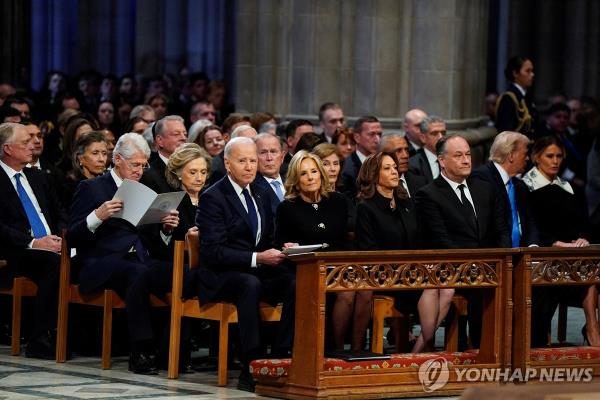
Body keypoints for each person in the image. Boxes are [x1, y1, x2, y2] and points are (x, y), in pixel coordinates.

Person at [67, 133, 186, 375]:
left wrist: (164, 228)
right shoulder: (91, 187)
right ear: (117, 160)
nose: (140, 170)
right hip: (103, 260)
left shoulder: (144, 189)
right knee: (138, 273)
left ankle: (172, 351)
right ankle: (140, 350)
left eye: (143, 165)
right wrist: (97, 217)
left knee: (180, 273)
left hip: (140, 257)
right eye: (135, 165)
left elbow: (152, 238)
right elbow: (72, 234)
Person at [195, 137, 295, 392]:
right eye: (243, 161)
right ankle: (251, 364)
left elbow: (268, 237)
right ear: (228, 164)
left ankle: (281, 355)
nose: (250, 166)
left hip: (255, 268)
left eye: (253, 160)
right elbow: (213, 252)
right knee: (249, 284)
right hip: (221, 274)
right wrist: (256, 258)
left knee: (295, 282)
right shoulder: (213, 197)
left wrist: (284, 248)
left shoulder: (260, 192)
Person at [415, 135, 510, 350]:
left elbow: (501, 229)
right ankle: (480, 350)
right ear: (441, 160)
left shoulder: (485, 187)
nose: (466, 160)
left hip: (491, 265)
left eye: (468, 154)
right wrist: (475, 264)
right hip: (454, 267)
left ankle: (511, 347)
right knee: (480, 290)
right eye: (458, 156)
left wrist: (503, 258)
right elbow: (441, 241)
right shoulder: (428, 195)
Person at [522, 135, 599, 346]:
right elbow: (530, 227)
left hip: (572, 257)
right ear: (537, 157)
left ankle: (592, 327)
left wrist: (583, 238)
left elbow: (583, 222)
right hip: (543, 258)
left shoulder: (566, 186)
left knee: (591, 272)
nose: (555, 161)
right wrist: (556, 243)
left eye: (558, 156)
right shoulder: (526, 186)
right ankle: (587, 330)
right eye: (550, 156)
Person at [0, 122, 66, 359]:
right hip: (14, 250)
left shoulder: (38, 177)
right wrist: (33, 242)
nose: (34, 144)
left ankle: (77, 335)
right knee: (52, 264)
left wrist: (61, 238)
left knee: (86, 259)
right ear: (8, 148)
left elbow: (59, 213)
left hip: (52, 245)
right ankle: (41, 337)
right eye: (26, 142)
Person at [352, 152, 420, 352]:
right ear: (374, 174)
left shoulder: (406, 204)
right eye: (387, 168)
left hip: (410, 272)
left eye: (395, 168)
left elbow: (417, 240)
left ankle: (420, 348)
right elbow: (368, 250)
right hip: (380, 273)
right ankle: (357, 349)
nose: (394, 172)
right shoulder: (366, 207)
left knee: (439, 290)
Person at [470, 131, 540, 247]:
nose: (527, 158)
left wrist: (533, 246)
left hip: (524, 254)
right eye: (525, 154)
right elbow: (485, 226)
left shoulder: (520, 185)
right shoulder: (481, 179)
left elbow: (530, 221)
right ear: (511, 155)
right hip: (497, 255)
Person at [140, 115, 187, 193]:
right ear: (160, 140)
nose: (183, 138)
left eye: (185, 134)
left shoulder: (196, 168)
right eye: (176, 134)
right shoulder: (148, 176)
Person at [62, 132, 108, 208]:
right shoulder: (71, 188)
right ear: (80, 158)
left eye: (104, 153)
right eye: (95, 153)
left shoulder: (108, 184)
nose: (101, 159)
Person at [341, 116, 382, 199]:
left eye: (379, 134)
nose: (377, 140)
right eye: (371, 134)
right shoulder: (346, 169)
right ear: (357, 138)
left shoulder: (384, 162)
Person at [495, 56, 537, 137]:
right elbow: (506, 133)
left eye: (532, 71)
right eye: (528, 71)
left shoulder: (526, 97)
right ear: (515, 73)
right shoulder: (509, 98)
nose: (532, 74)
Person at [253, 133, 285, 218]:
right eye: (263, 152)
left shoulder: (294, 183)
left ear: (282, 156)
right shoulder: (250, 187)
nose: (269, 158)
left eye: (273, 152)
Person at [408, 115, 446, 184]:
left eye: (443, 133)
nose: (441, 137)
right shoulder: (413, 165)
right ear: (423, 138)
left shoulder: (451, 159)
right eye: (434, 133)